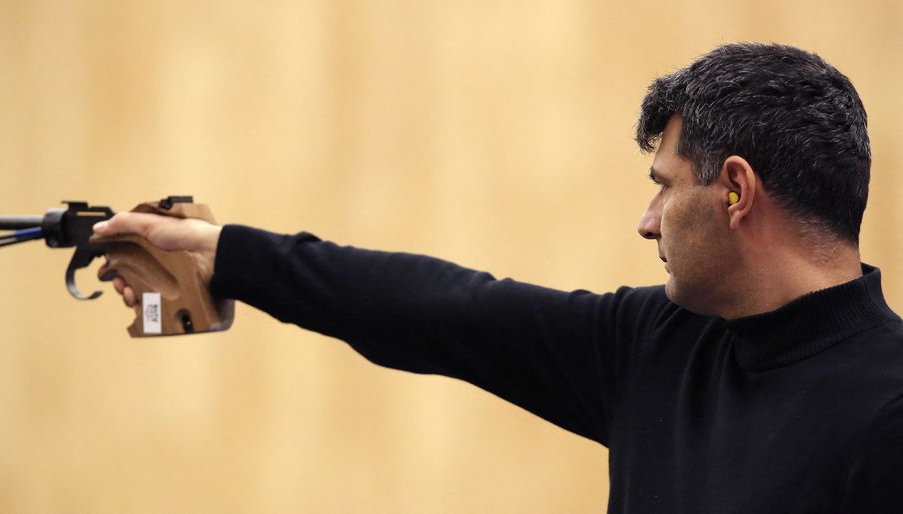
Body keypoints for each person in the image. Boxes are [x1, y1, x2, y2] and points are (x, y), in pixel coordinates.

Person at [93, 43, 903, 512]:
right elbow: (445, 309)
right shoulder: (659, 344)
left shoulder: (886, 413)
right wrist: (224, 253)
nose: (647, 220)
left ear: (734, 190)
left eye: (663, 183)